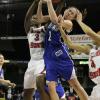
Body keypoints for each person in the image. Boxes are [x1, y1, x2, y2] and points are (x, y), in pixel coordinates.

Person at [41, 0, 89, 100]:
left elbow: (55, 21)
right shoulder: (55, 16)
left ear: (73, 18)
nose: (69, 13)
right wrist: (40, 4)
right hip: (49, 57)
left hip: (61, 57)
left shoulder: (69, 23)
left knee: (75, 85)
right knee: (51, 87)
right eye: (70, 10)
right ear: (66, 9)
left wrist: (49, 2)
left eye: (72, 14)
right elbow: (40, 18)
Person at [23, 0, 66, 100]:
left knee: (39, 83)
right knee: (26, 94)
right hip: (32, 62)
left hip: (43, 61)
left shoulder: (45, 29)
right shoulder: (28, 31)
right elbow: (26, 18)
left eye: (35, 17)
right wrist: (34, 2)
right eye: (32, 18)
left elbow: (54, 18)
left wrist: (60, 5)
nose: (33, 19)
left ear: (39, 19)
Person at [59, 11, 100, 100]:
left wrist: (79, 21)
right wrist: (60, 28)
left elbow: (89, 33)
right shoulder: (90, 50)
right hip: (97, 87)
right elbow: (70, 44)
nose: (96, 34)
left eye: (98, 33)